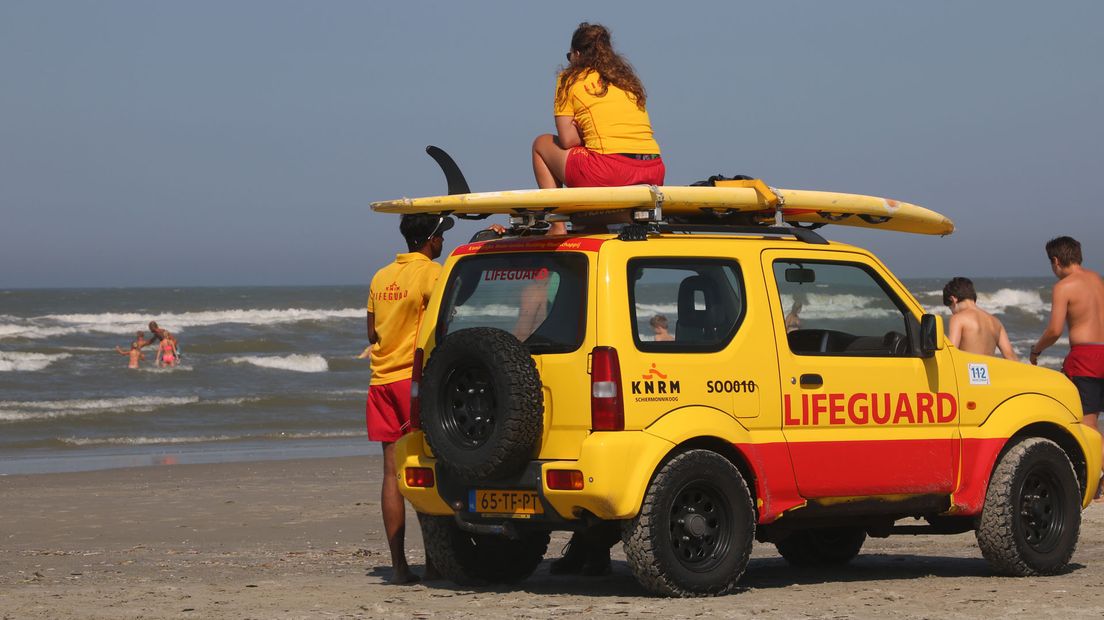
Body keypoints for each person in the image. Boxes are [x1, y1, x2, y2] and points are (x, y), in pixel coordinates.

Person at [365, 213, 454, 584]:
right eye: (442, 237)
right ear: (431, 240)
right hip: (412, 382)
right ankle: (434, 563)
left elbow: (372, 332)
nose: (443, 243)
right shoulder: (431, 272)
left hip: (380, 381)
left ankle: (400, 566)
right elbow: (451, 311)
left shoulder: (381, 276)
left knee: (391, 473)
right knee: (424, 467)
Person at [532, 22, 665, 235]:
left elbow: (568, 141)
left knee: (541, 143)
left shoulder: (569, 79)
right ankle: (594, 225)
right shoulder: (626, 80)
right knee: (586, 227)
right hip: (653, 170)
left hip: (608, 171)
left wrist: (581, 132)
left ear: (576, 54)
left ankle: (556, 225)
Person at [1029, 237, 1104, 495]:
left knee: (1087, 422)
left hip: (1085, 356)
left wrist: (1037, 349)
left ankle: (1095, 482)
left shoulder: (1064, 286)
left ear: (1056, 261)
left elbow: (1054, 330)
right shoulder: (1097, 279)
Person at [943, 277, 1018, 360]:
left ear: (953, 299)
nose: (952, 312)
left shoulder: (958, 319)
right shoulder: (995, 322)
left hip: (966, 371)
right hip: (990, 371)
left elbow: (951, 354)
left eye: (950, 308)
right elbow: (1010, 355)